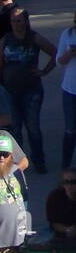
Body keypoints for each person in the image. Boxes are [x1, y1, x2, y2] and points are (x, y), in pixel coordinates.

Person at [0, 6, 55, 172]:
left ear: (26, 22)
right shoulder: (6, 39)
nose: (15, 23)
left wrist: (44, 71)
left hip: (31, 91)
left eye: (19, 20)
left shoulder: (34, 38)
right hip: (10, 91)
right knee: (15, 128)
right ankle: (15, 163)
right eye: (13, 20)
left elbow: (55, 53)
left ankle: (39, 160)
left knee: (32, 127)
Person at [58, 12, 76, 170]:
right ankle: (65, 167)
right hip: (70, 90)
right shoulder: (68, 34)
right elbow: (59, 62)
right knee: (70, 130)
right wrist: (69, 53)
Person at [46, 168, 76, 240]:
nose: (69, 185)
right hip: (61, 235)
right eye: (66, 182)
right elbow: (53, 222)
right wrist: (67, 230)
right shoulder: (55, 196)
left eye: (73, 182)